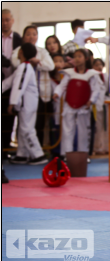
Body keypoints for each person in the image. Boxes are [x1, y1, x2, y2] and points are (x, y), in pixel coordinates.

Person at [2, 43, 48, 165]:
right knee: (23, 129)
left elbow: (19, 86)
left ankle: (38, 155)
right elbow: (9, 82)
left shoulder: (25, 68)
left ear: (21, 52)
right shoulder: (23, 67)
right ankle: (22, 155)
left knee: (27, 129)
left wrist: (12, 102)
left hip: (28, 104)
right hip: (26, 104)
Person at [52, 49, 102, 160]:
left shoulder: (91, 74)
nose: (77, 59)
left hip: (84, 106)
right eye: (75, 57)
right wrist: (57, 93)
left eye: (80, 56)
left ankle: (83, 155)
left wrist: (91, 100)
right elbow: (62, 86)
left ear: (86, 58)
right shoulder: (69, 73)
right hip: (69, 104)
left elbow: (96, 90)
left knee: (83, 131)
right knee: (67, 130)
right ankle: (66, 154)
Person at [12, 26, 55, 148]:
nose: (31, 37)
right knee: (23, 124)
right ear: (23, 36)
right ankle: (23, 152)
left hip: (40, 93)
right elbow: (14, 63)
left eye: (34, 34)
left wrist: (38, 62)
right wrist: (29, 60)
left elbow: (50, 66)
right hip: (23, 94)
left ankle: (37, 150)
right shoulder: (18, 51)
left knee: (38, 124)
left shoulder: (42, 51)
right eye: (28, 34)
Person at [2, 9, 22, 157]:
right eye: (2, 20)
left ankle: (7, 148)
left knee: (10, 116)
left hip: (13, 82)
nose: (4, 23)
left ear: (12, 20)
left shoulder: (18, 39)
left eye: (7, 19)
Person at [49, 53, 65, 158]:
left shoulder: (67, 77)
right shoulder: (49, 79)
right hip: (54, 109)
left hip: (65, 109)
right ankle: (55, 152)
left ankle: (64, 152)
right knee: (54, 130)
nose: (58, 64)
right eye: (55, 61)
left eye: (60, 61)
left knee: (65, 131)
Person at [92, 58, 109, 155]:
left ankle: (107, 147)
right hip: (96, 104)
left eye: (100, 65)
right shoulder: (92, 77)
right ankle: (97, 147)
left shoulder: (107, 76)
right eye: (96, 65)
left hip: (106, 103)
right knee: (98, 127)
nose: (98, 67)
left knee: (107, 127)